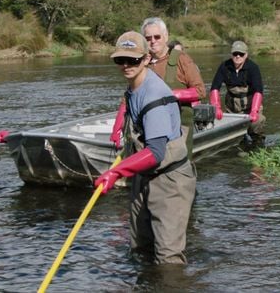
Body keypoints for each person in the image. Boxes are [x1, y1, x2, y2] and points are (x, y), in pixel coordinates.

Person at [95, 31, 197, 265]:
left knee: (167, 257)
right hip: (144, 176)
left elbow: (155, 152)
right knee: (140, 248)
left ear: (146, 59)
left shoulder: (154, 95)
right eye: (120, 60)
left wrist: (116, 172)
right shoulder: (132, 90)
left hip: (170, 179)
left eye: (133, 60)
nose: (126, 65)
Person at [110, 18, 205, 158]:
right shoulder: (139, 62)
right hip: (147, 129)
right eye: (148, 38)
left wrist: (168, 95)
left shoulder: (181, 59)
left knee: (177, 167)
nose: (153, 41)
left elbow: (200, 91)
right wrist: (117, 128)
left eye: (157, 37)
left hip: (177, 129)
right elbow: (128, 98)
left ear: (165, 36)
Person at [209, 41, 266, 148]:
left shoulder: (253, 68)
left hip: (250, 107)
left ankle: (258, 146)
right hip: (232, 109)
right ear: (231, 54)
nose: (238, 56)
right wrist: (217, 107)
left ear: (246, 55)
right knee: (234, 138)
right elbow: (214, 88)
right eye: (235, 54)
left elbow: (259, 91)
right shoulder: (224, 66)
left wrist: (254, 111)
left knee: (256, 125)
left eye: (241, 54)